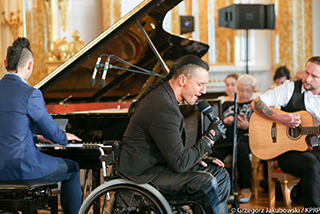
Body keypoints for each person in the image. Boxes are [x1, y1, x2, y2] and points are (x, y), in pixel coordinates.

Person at [118, 55, 230, 214]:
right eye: (200, 84)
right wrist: (210, 137)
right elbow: (180, 163)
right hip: (144, 175)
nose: (203, 91)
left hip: (159, 166)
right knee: (205, 182)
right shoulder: (164, 106)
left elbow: (176, 153)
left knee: (218, 172)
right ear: (182, 80)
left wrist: (199, 157)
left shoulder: (165, 98)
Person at [0, 37, 82, 214]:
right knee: (73, 168)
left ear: (5, 63)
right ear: (30, 65)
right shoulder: (30, 93)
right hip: (22, 168)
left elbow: (8, 130)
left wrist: (36, 137)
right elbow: (53, 133)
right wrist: (63, 137)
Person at [250, 56, 320, 209]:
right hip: (289, 153)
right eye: (306, 72)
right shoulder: (290, 88)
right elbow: (256, 103)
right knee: (313, 166)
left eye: (314, 76)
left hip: (315, 148)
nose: (307, 78)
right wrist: (281, 118)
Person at [211, 74, 256, 203]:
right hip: (225, 140)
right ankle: (220, 188)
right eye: (241, 89)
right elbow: (217, 122)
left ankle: (246, 187)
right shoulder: (227, 104)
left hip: (244, 139)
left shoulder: (254, 105)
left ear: (253, 91)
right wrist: (225, 120)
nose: (244, 93)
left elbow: (260, 128)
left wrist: (248, 125)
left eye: (248, 90)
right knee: (213, 153)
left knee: (241, 149)